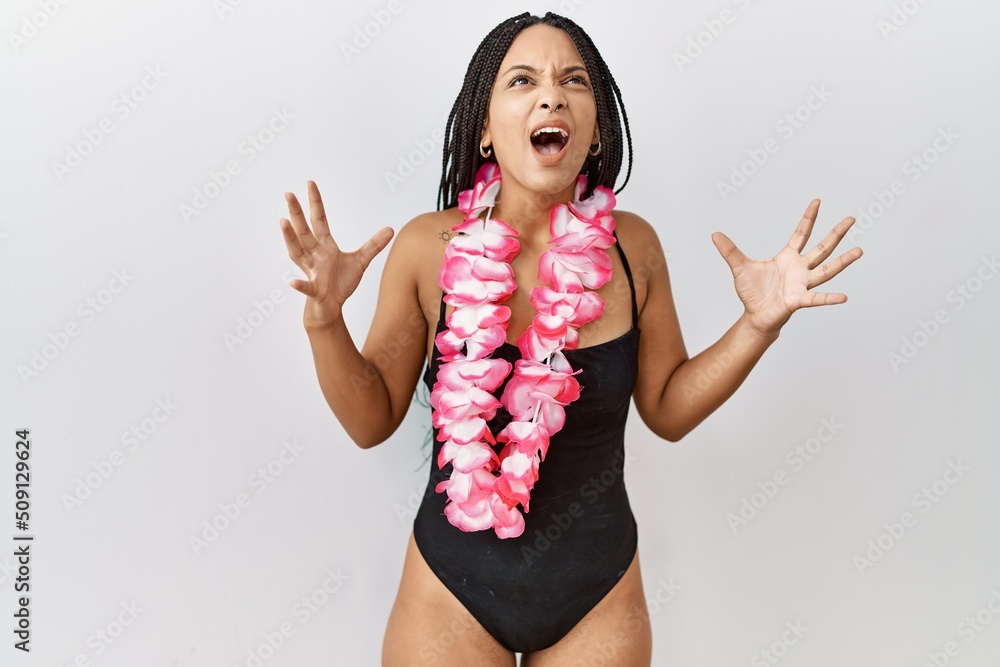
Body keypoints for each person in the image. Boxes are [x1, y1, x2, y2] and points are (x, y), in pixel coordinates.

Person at [278, 11, 862, 667]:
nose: (551, 94)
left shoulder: (631, 248)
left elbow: (668, 409)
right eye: (522, 80)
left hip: (598, 598)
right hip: (450, 597)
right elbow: (369, 419)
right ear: (485, 132)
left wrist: (758, 325)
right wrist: (325, 321)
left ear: (593, 129)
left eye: (573, 80)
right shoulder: (426, 248)